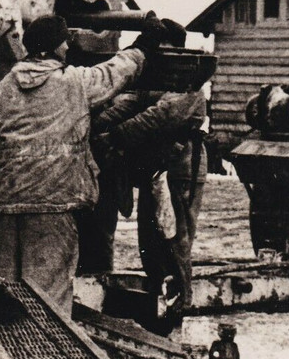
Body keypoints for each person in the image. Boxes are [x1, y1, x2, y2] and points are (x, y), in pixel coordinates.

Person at [0, 13, 177, 317]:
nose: (67, 48)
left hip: (6, 204)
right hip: (52, 205)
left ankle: (1, 358)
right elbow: (115, 72)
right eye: (64, 42)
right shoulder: (71, 83)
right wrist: (144, 44)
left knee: (2, 297)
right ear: (55, 46)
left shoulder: (4, 87)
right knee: (47, 303)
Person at [85, 88, 208, 331]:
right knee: (151, 247)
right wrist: (90, 123)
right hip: (158, 171)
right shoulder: (155, 81)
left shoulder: (188, 86)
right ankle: (159, 314)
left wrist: (114, 135)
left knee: (174, 244)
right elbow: (130, 104)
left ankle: (175, 315)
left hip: (180, 171)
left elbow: (159, 115)